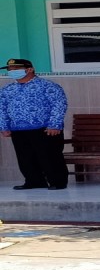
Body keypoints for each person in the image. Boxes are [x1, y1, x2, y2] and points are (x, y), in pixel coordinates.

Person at [0, 58, 69, 190]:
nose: (12, 71)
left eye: (16, 69)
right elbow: (1, 109)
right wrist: (3, 126)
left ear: (30, 69)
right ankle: (34, 181)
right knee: (25, 158)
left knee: (49, 156)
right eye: (9, 69)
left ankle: (57, 182)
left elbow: (59, 104)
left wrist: (55, 124)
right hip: (18, 129)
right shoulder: (7, 90)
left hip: (45, 128)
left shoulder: (47, 86)